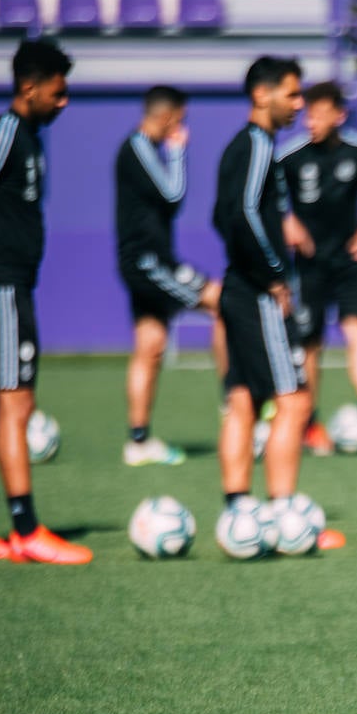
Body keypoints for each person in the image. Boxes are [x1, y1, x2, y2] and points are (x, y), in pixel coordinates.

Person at [0, 39, 92, 565]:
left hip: (5, 285)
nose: (64, 101)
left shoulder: (29, 137)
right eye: (59, 91)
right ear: (30, 88)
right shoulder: (4, 133)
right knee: (16, 403)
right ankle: (26, 530)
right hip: (0, 287)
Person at [213, 57, 343, 545]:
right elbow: (243, 213)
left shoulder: (248, 147)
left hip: (237, 287)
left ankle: (239, 511)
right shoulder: (254, 146)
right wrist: (272, 274)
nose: (298, 104)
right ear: (261, 95)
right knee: (292, 401)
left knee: (244, 400)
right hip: (255, 293)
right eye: (291, 95)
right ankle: (286, 513)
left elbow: (222, 215)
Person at [277, 82, 357, 455]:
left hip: (351, 259)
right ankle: (310, 423)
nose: (310, 122)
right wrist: (287, 220)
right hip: (309, 265)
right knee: (311, 344)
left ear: (339, 115)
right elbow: (268, 196)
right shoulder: (290, 156)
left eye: (318, 115)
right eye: (307, 115)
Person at [115, 85, 226, 466]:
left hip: (145, 261)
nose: (182, 127)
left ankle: (139, 441)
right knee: (224, 303)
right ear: (165, 117)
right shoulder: (140, 148)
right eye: (179, 120)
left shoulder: (141, 150)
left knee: (151, 343)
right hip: (150, 262)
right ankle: (238, 410)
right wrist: (179, 152)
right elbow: (173, 194)